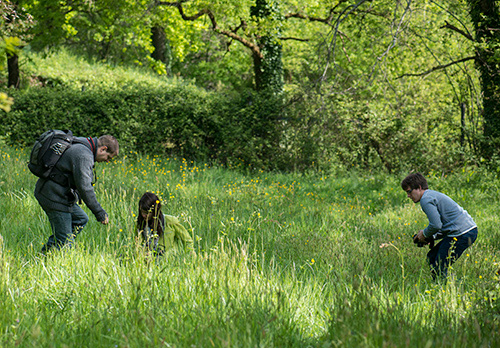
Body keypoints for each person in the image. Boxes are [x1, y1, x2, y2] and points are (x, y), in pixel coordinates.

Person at [35, 134, 119, 253]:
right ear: (103, 149)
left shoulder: (83, 145)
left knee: (80, 219)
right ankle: (46, 257)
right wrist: (99, 213)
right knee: (65, 242)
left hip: (58, 193)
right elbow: (85, 188)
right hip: (53, 196)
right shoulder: (83, 155)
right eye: (108, 157)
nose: (107, 161)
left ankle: (52, 249)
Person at [402, 173, 478, 279]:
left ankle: (451, 288)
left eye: (409, 191)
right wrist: (431, 237)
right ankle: (447, 285)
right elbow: (445, 225)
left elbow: (436, 225)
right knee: (432, 257)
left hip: (463, 233)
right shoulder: (431, 195)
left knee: (439, 265)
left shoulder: (425, 200)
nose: (408, 196)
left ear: (419, 187)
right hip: (467, 230)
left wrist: (423, 234)